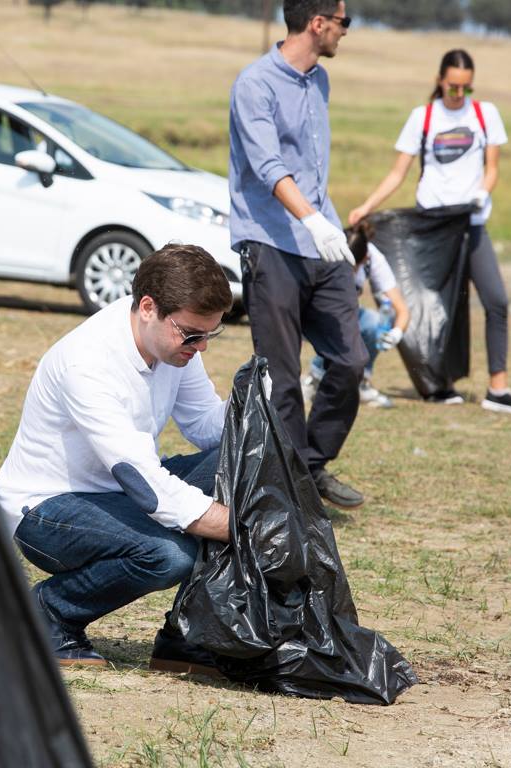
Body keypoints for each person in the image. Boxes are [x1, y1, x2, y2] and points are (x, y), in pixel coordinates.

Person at [0, 244, 237, 671]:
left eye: (209, 335)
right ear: (148, 308)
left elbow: (204, 426)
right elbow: (147, 487)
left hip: (118, 491)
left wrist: (250, 404)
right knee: (169, 554)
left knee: (235, 464)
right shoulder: (89, 363)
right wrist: (242, 527)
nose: (201, 347)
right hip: (47, 510)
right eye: (192, 334)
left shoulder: (172, 344)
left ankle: (184, 636)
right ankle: (47, 615)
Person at [228, 0, 369, 510]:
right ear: (318, 23)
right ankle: (296, 493)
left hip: (320, 241)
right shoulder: (255, 84)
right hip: (270, 241)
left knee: (351, 360)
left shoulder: (319, 82)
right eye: (343, 22)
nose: (346, 31)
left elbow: (311, 167)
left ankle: (311, 465)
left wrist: (323, 225)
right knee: (282, 377)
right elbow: (267, 164)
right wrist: (311, 219)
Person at [349, 49, 511, 416]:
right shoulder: (422, 117)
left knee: (496, 300)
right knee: (435, 308)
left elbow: (492, 168)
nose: (459, 94)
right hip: (430, 227)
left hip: (469, 223)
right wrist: (367, 206)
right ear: (440, 81)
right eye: (453, 87)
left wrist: (482, 193)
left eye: (466, 88)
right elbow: (398, 172)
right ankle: (438, 385)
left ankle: (498, 389)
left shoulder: (485, 114)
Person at [304, 221, 410, 409]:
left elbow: (402, 310)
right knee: (339, 324)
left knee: (373, 322)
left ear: (365, 259)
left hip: (346, 316)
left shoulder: (374, 259)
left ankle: (360, 382)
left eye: (352, 268)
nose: (347, 273)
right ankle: (315, 378)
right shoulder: (324, 249)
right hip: (313, 314)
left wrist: (396, 334)